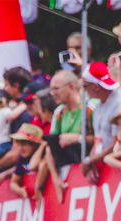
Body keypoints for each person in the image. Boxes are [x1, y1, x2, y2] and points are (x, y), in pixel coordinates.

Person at [44, 70, 96, 203]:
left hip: (90, 164)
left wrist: (76, 138)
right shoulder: (59, 113)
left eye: (56, 89)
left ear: (71, 87)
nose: (52, 93)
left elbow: (101, 140)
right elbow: (50, 148)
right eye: (51, 89)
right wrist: (55, 178)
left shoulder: (90, 107)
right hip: (68, 166)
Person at [81, 62, 121, 185]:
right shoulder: (99, 104)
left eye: (85, 86)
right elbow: (98, 140)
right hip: (106, 169)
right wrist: (92, 162)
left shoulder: (120, 103)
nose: (82, 90)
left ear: (95, 87)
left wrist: (89, 161)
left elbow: (116, 143)